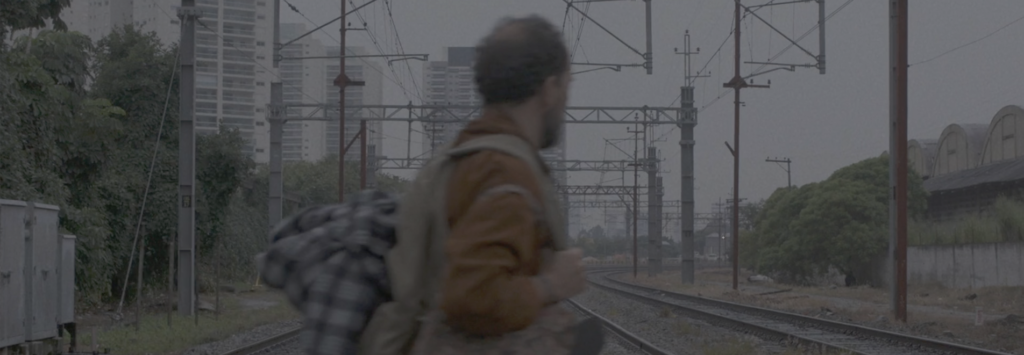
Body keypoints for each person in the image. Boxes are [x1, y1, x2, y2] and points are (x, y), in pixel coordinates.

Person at [436, 15, 588, 337]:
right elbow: (473, 299)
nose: (565, 101)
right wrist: (551, 285)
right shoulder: (503, 172)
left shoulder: (465, 155)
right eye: (566, 86)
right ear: (549, 89)